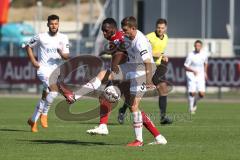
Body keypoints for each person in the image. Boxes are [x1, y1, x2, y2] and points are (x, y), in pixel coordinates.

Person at [60, 16, 167, 146]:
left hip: (142, 72)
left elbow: (148, 63)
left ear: (133, 28)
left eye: (126, 30)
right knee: (102, 75)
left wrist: (149, 81)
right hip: (132, 66)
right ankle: (74, 96)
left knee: (133, 106)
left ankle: (140, 140)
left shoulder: (140, 42)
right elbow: (120, 46)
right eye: (123, 30)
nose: (124, 32)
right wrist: (107, 50)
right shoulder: (126, 36)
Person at [118, 18, 172, 125]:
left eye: (162, 28)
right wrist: (160, 55)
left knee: (163, 88)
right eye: (158, 27)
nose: (160, 30)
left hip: (156, 67)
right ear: (155, 27)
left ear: (165, 28)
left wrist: (163, 57)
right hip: (145, 67)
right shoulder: (148, 37)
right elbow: (144, 53)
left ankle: (162, 117)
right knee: (136, 96)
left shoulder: (166, 38)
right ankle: (123, 110)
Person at [26, 14, 70, 132]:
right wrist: (33, 60)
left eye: (56, 24)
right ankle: (44, 114)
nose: (54, 26)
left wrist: (61, 54)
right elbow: (28, 46)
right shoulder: (41, 37)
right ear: (48, 24)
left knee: (46, 95)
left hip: (55, 71)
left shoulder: (63, 37)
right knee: (54, 90)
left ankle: (33, 120)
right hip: (42, 69)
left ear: (58, 24)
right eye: (51, 24)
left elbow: (67, 56)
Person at [184, 40, 208, 114]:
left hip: (200, 75)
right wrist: (192, 70)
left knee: (202, 94)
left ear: (201, 47)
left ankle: (195, 101)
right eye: (196, 46)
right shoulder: (190, 55)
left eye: (199, 46)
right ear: (194, 46)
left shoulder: (204, 54)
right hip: (191, 75)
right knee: (192, 92)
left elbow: (206, 63)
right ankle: (191, 108)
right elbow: (185, 66)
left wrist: (205, 72)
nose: (197, 47)